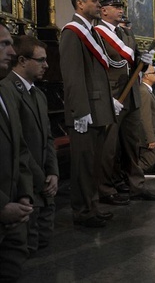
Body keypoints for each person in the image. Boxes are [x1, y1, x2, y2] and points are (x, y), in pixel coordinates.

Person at [59, 0, 117, 228]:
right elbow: (73, 76)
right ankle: (82, 211)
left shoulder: (90, 31)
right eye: (94, 1)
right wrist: (80, 111)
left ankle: (92, 206)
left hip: (98, 109)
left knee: (93, 163)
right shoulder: (72, 33)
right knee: (83, 165)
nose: (98, 4)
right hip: (86, 112)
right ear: (80, 4)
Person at [95, 0, 155, 203]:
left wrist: (144, 59)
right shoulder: (97, 34)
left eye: (121, 6)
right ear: (104, 10)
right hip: (113, 96)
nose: (120, 9)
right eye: (115, 6)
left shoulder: (125, 35)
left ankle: (136, 185)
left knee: (131, 144)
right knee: (109, 146)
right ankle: (106, 188)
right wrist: (106, 97)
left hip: (131, 95)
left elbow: (134, 60)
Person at [0, 36, 57, 254]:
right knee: (27, 251)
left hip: (44, 184)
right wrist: (40, 176)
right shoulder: (8, 91)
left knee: (42, 246)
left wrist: (53, 172)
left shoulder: (39, 94)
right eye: (41, 60)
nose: (47, 65)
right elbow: (19, 143)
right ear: (22, 60)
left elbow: (48, 138)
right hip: (26, 187)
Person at [0, 22, 34, 280]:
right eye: (4, 44)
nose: (12, 52)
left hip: (15, 214)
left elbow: (21, 147)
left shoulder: (7, 93)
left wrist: (24, 194)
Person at [138, 67, 155, 173]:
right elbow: (145, 117)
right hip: (149, 137)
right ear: (146, 75)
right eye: (154, 73)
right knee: (147, 161)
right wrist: (150, 138)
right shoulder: (143, 91)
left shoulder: (148, 91)